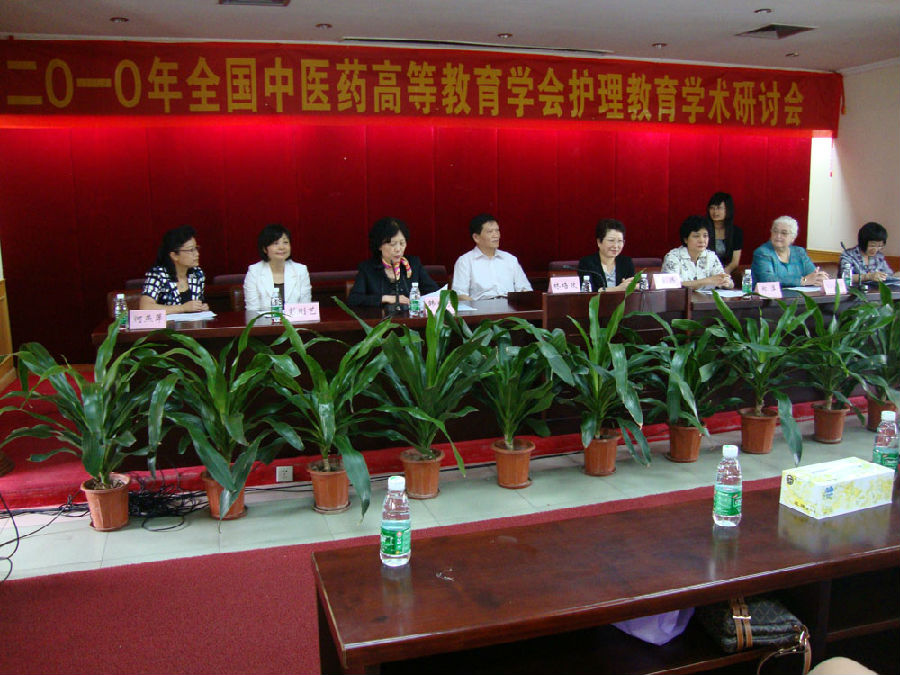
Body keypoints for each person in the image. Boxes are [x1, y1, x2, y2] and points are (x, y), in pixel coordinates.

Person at [348, 217, 439, 307]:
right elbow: (354, 299)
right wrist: (386, 298)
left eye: (402, 243)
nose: (398, 249)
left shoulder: (414, 264)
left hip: (409, 315)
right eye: (392, 244)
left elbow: (436, 292)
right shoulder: (367, 268)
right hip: (380, 316)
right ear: (379, 246)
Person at [451, 213, 532, 301]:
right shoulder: (465, 261)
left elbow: (525, 289)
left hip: (510, 305)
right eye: (490, 232)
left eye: (497, 231)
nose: (496, 235)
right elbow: (460, 295)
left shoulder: (510, 259)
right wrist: (476, 307)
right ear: (476, 237)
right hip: (481, 306)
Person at [140, 225, 210, 313]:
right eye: (191, 250)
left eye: (196, 248)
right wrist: (182, 308)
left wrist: (202, 307)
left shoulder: (197, 274)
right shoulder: (159, 275)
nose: (197, 254)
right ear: (174, 255)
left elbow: (196, 304)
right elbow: (145, 308)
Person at [243, 224, 311, 312]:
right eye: (275, 243)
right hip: (264, 320)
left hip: (295, 320)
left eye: (285, 242)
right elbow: (252, 311)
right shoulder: (254, 271)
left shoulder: (301, 270)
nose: (281, 247)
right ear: (264, 249)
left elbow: (305, 308)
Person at [751, 215, 829, 287]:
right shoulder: (762, 253)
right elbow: (768, 279)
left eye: (784, 233)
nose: (778, 236)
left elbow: (812, 274)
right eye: (775, 231)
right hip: (770, 297)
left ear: (793, 237)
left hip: (799, 296)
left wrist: (819, 277)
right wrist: (802, 281)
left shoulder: (799, 252)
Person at [661, 215, 733, 289]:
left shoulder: (711, 256)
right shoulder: (673, 257)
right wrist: (707, 281)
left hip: (706, 296)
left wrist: (727, 282)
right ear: (686, 239)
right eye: (696, 236)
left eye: (705, 236)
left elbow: (727, 281)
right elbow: (671, 285)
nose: (702, 240)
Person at [577, 218, 635, 291]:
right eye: (611, 240)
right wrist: (618, 289)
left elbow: (633, 287)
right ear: (599, 242)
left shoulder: (626, 262)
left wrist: (634, 286)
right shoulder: (586, 263)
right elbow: (589, 291)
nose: (615, 246)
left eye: (620, 241)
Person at [705, 192, 743, 275]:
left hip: (725, 272)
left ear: (728, 210)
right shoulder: (703, 229)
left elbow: (735, 262)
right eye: (712, 208)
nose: (715, 212)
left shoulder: (736, 232)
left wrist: (724, 273)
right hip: (704, 270)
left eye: (719, 208)